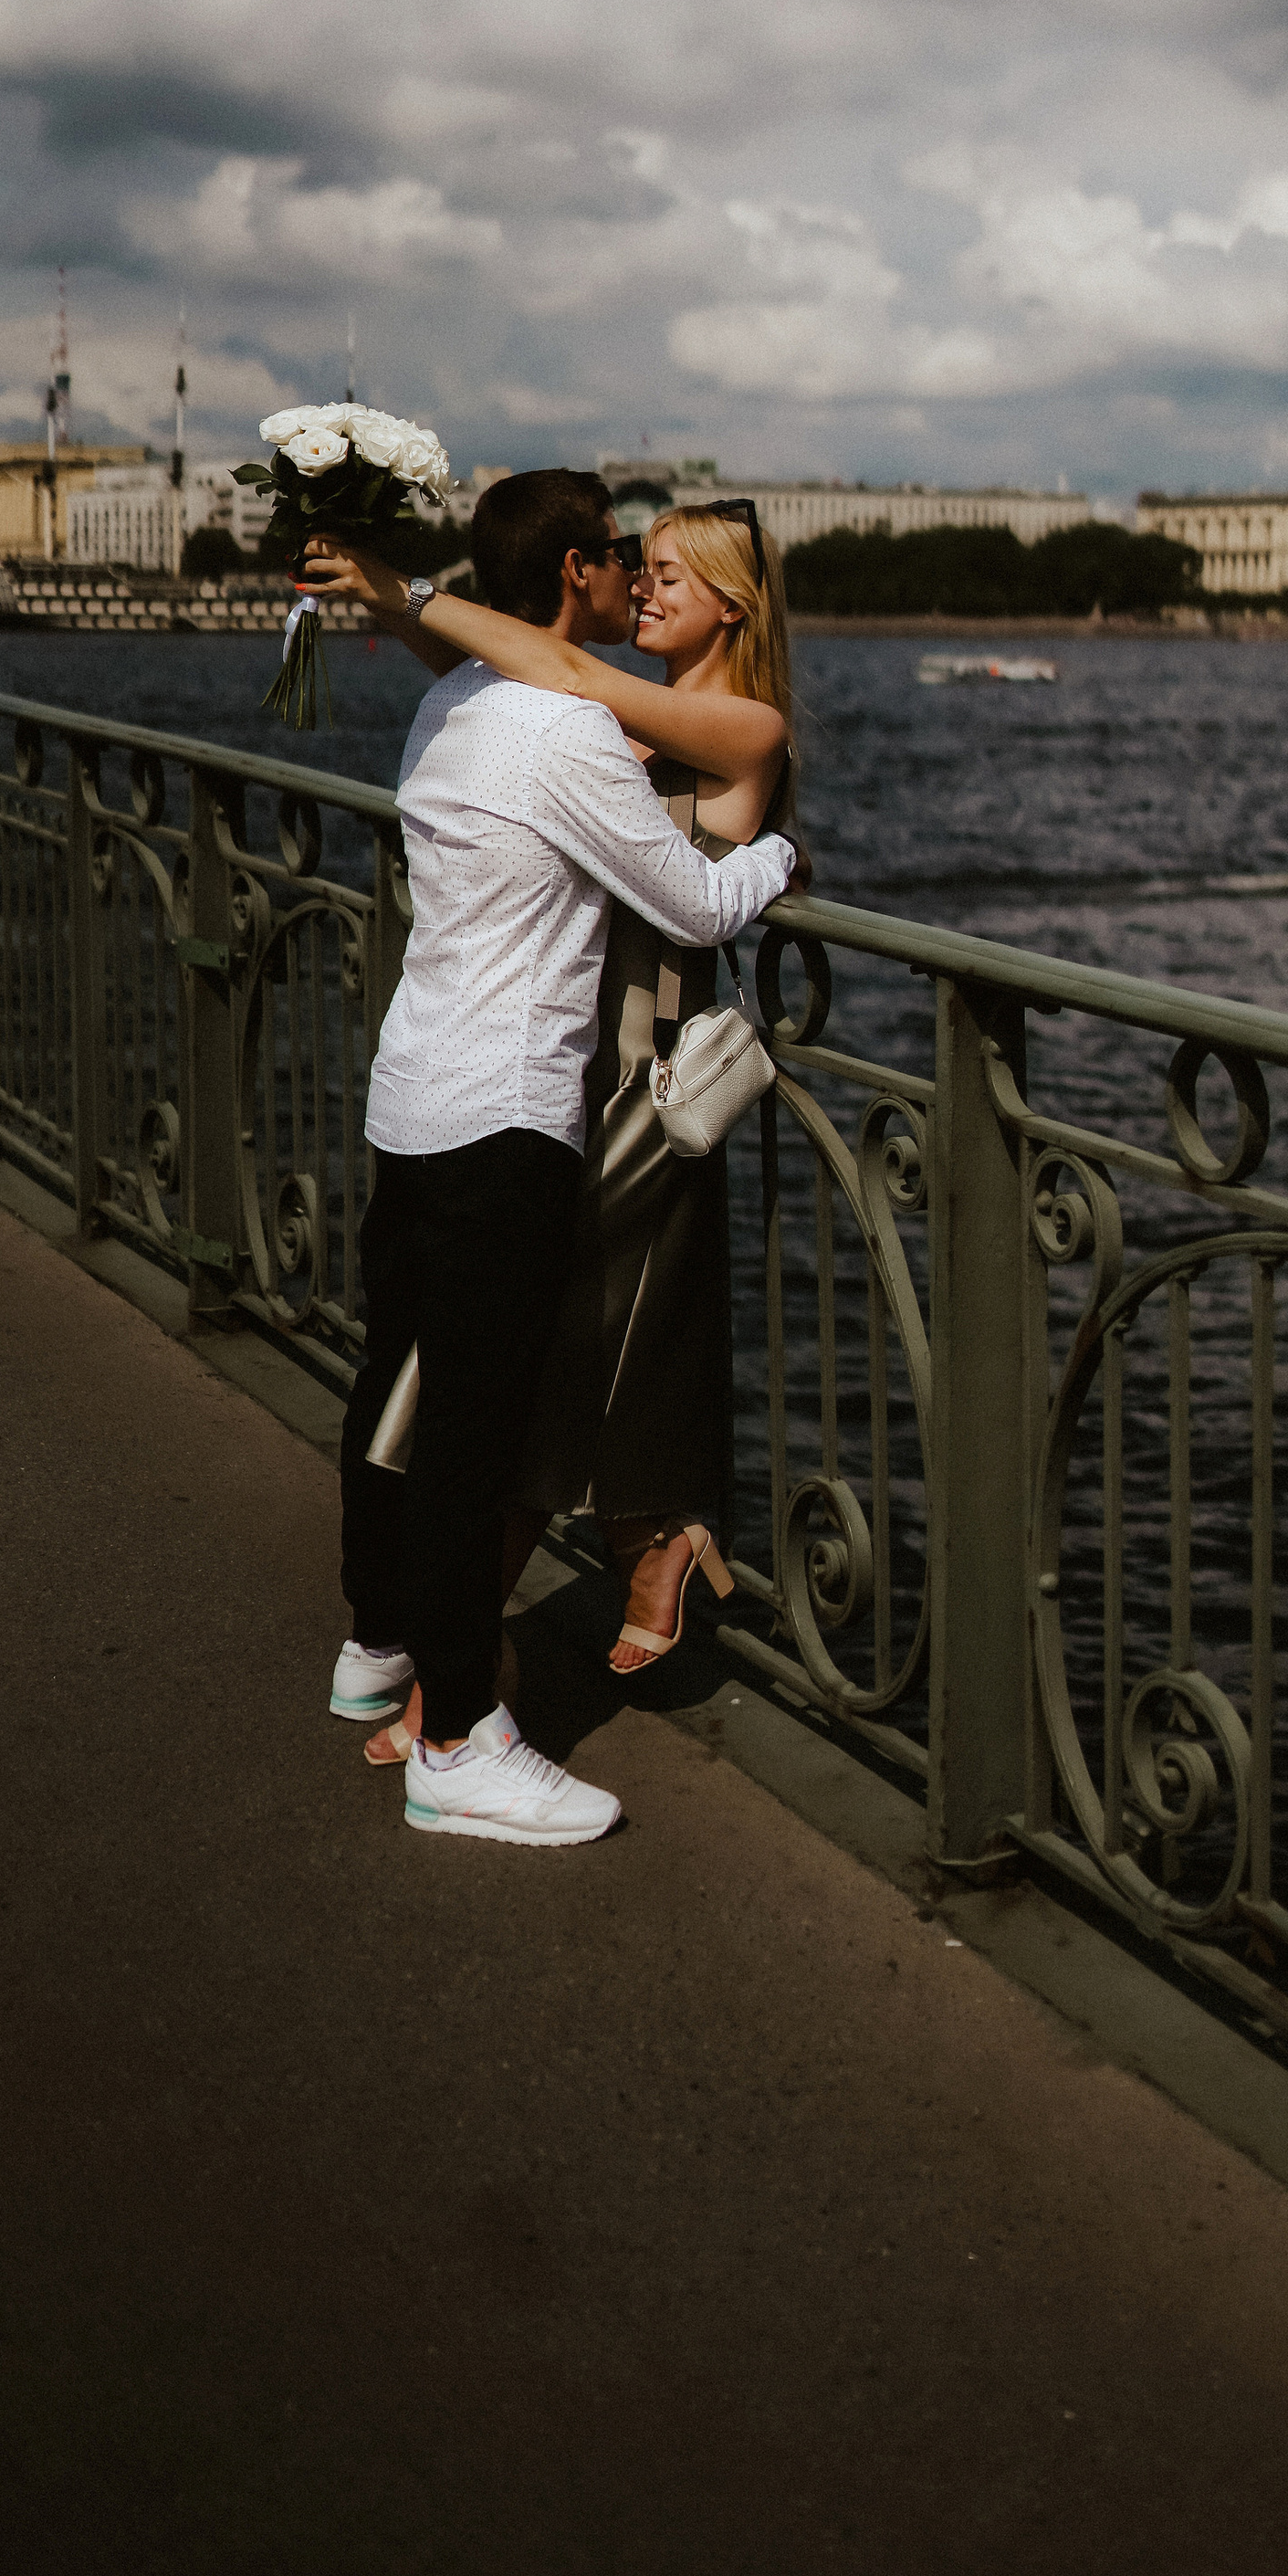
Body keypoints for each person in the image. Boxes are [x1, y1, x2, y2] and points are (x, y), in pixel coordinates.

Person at [319, 469, 799, 1850]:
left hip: (605, 1083)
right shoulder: (560, 713)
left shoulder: (527, 706)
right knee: (501, 1399)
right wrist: (779, 863)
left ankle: (420, 1648)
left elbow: (535, 663)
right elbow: (691, 871)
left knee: (502, 1379)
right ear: (583, 569)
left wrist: (410, 598)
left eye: (672, 572)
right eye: (629, 564)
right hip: (536, 1079)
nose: (645, 586)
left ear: (735, 604)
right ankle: (469, 1702)